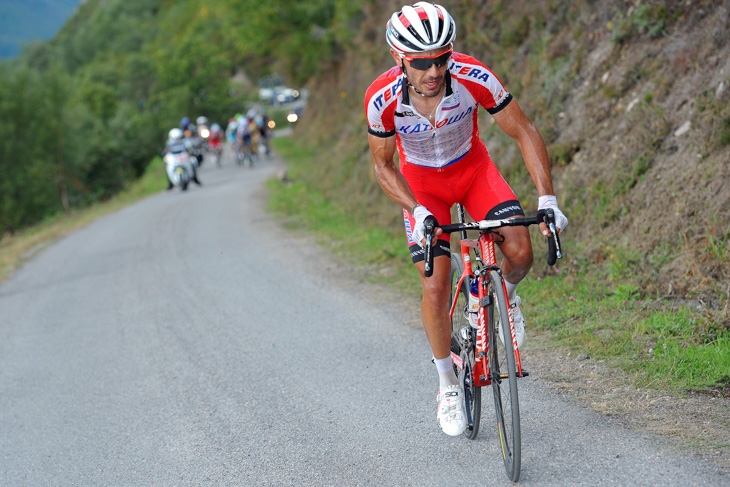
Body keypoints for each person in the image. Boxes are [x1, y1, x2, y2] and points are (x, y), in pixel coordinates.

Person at [364, 2, 568, 437]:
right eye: (421, 63)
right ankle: (446, 385)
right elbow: (383, 167)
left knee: (520, 250)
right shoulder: (381, 99)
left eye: (441, 58)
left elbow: (523, 130)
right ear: (400, 59)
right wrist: (415, 208)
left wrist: (547, 197)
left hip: (473, 171)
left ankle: (506, 296)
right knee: (435, 284)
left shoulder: (473, 75)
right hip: (422, 189)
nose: (433, 70)